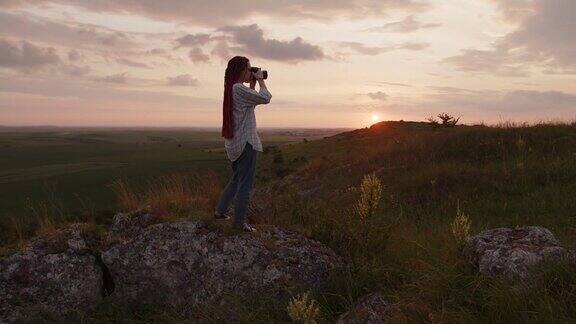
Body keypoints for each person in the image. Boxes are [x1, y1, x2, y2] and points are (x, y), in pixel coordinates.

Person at [214, 56, 272, 232]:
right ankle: (239, 224)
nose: (250, 72)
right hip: (246, 143)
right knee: (244, 185)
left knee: (236, 180)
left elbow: (250, 104)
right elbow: (266, 97)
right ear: (240, 71)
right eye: (248, 69)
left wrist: (252, 84)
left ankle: (220, 211)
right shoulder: (239, 88)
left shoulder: (232, 89)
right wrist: (261, 80)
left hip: (234, 145)